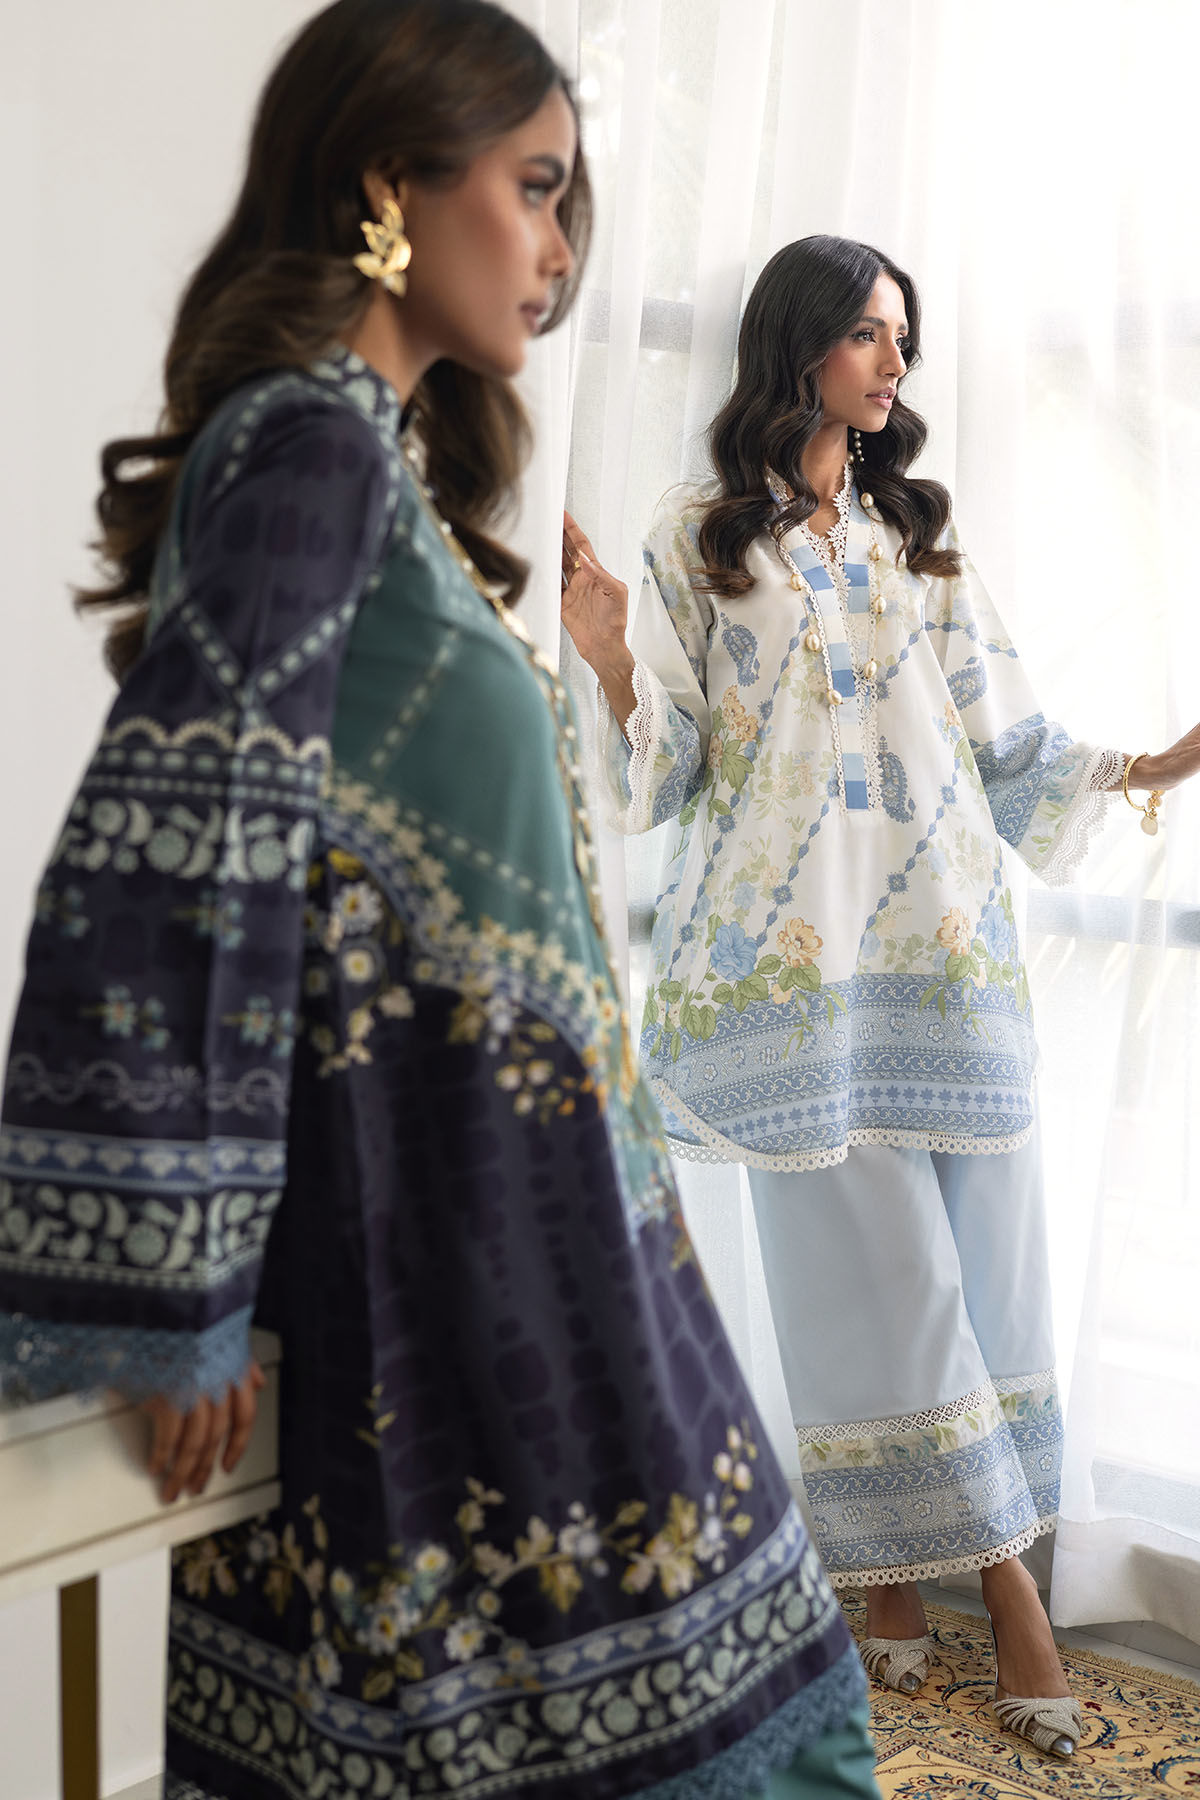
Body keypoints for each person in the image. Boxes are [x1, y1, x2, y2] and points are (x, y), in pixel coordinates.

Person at [0, 12, 883, 1800]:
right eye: (534, 188)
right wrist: (182, 1290)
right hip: (456, 1237)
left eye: (572, 201)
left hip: (536, 1217)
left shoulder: (370, 464)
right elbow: (187, 841)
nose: (561, 247)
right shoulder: (306, 450)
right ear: (389, 184)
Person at [562, 233, 1200, 1760]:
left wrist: (1152, 765)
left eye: (901, 334)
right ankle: (1012, 1596)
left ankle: (894, 1586)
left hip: (946, 948)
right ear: (798, 344)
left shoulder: (919, 532)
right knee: (882, 1289)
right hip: (789, 977)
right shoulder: (699, 536)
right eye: (866, 332)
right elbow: (668, 774)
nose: (895, 361)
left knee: (988, 1276)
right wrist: (606, 656)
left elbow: (1003, 739)